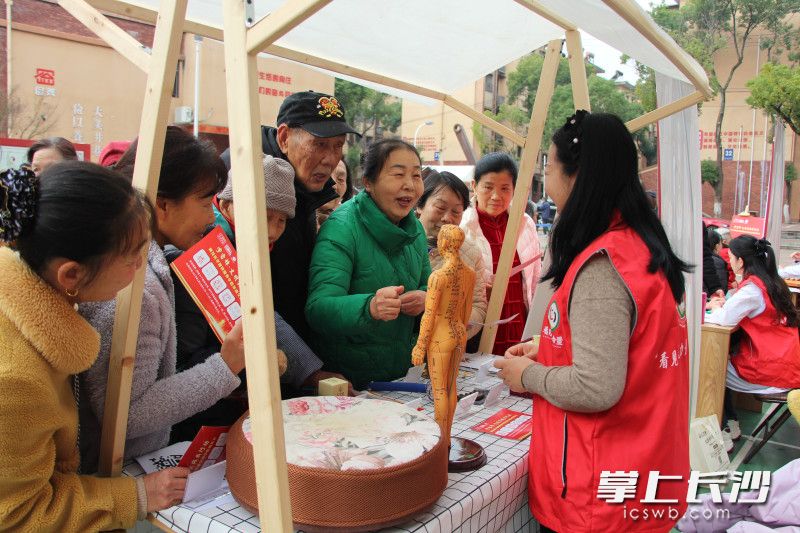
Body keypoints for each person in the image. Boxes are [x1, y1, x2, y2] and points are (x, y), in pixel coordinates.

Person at [494, 111, 691, 532]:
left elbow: (597, 387)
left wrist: (529, 375)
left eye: (548, 166)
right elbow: (627, 347)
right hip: (640, 472)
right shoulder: (640, 246)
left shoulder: (604, 265)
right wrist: (548, 349)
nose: (546, 181)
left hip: (597, 496)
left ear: (576, 175)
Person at [0, 164, 187, 531]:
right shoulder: (16, 381)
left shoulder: (31, 284)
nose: (140, 267)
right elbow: (18, 513)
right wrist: (135, 496)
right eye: (132, 256)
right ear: (71, 275)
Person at [78, 126, 246, 472]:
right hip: (111, 472)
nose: (211, 216)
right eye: (204, 202)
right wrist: (225, 366)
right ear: (162, 204)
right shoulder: (134, 285)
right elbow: (128, 413)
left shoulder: (141, 266)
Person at [168, 155, 352, 441]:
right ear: (227, 206)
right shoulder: (199, 257)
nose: (273, 230)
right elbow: (181, 361)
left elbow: (264, 315)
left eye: (281, 220)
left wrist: (310, 373)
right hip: (191, 416)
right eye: (264, 216)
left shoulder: (244, 252)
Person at [221, 91, 359, 343]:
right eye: (319, 144)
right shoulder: (247, 183)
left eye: (338, 145)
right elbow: (251, 302)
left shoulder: (304, 189)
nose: (330, 159)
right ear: (284, 138)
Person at [306, 139, 429, 389]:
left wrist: (426, 298)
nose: (409, 185)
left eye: (416, 175)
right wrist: (370, 306)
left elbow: (430, 284)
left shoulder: (414, 227)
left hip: (401, 380)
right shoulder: (342, 227)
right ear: (368, 182)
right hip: (350, 384)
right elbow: (319, 309)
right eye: (398, 174)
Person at [705, 236, 800, 443]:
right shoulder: (771, 281)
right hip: (786, 363)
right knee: (721, 361)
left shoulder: (752, 289)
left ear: (740, 261)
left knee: (711, 368)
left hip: (773, 370)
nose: (729, 261)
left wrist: (712, 307)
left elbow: (723, 319)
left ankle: (723, 428)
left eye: (731, 257)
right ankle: (730, 421)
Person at [460, 152, 541, 355]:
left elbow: (535, 278)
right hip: (483, 325)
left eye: (505, 189)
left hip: (520, 320)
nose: (496, 196)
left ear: (514, 190)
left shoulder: (525, 224)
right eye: (488, 187)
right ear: (474, 186)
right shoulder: (463, 229)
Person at [412, 225, 475, 445]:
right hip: (459, 332)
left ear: (444, 243)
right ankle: (446, 438)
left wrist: (420, 345)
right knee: (451, 386)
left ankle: (442, 441)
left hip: (442, 336)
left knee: (439, 390)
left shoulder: (438, 276)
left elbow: (429, 314)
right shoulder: (469, 273)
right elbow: (466, 313)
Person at [415, 169, 488, 341]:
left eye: (456, 212)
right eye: (440, 208)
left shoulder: (471, 253)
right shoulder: (399, 243)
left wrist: (460, 324)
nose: (447, 218)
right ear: (420, 205)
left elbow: (478, 305)